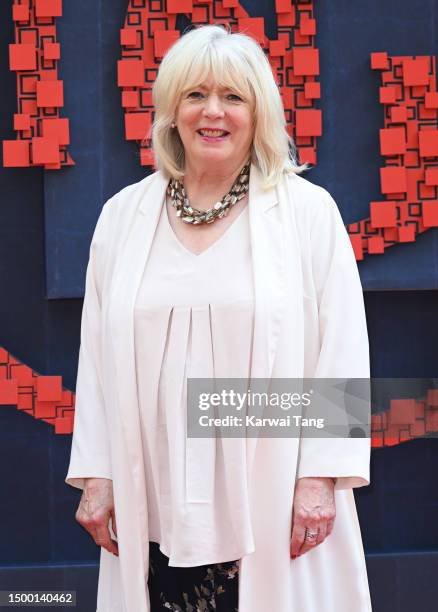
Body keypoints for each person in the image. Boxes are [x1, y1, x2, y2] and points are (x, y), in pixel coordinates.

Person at [66, 24, 372, 612]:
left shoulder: (306, 214)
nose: (214, 112)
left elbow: (343, 348)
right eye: (195, 95)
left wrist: (320, 478)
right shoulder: (122, 217)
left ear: (259, 114)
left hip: (273, 492)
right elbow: (95, 357)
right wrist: (98, 473)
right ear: (170, 111)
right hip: (150, 496)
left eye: (233, 97)